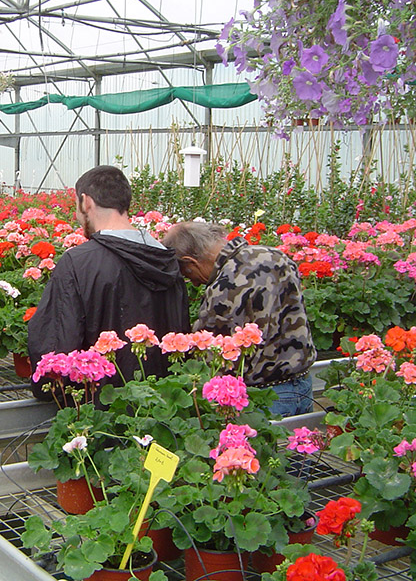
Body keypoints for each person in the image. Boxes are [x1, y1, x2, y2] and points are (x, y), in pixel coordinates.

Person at [27, 165, 190, 403]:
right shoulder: (166, 259)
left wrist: (48, 387)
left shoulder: (78, 263)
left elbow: (56, 345)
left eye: (76, 207)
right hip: (161, 406)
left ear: (86, 202)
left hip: (102, 410)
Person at [161, 221, 316, 417]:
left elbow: (213, 356)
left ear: (190, 261)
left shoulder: (225, 284)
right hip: (303, 384)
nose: (194, 282)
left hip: (265, 395)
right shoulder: (276, 256)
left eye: (188, 274)